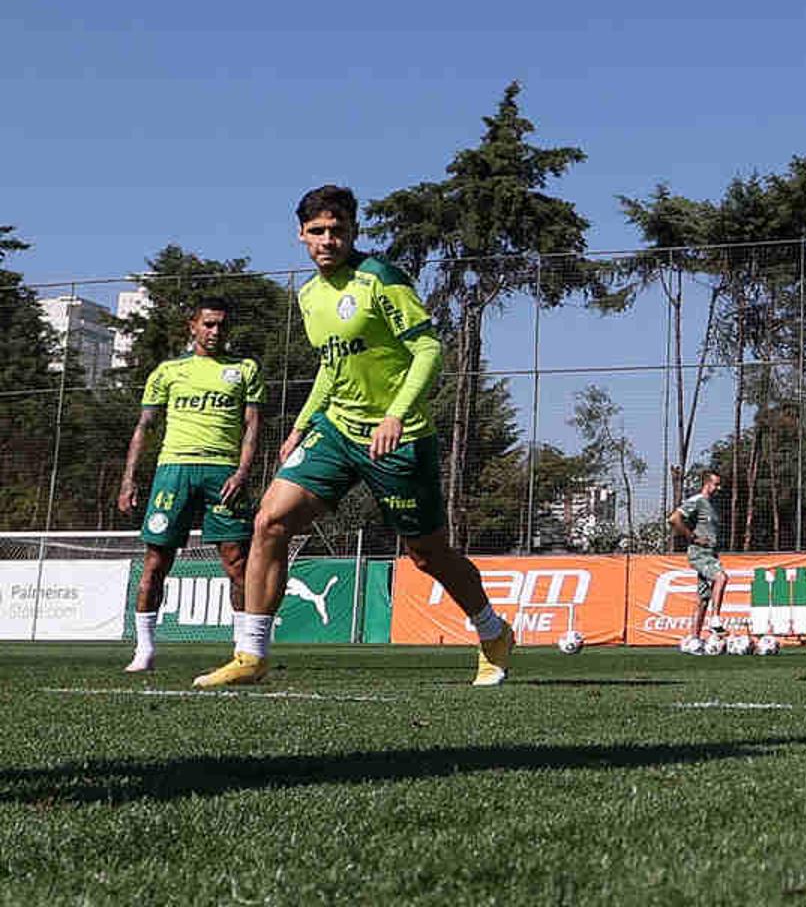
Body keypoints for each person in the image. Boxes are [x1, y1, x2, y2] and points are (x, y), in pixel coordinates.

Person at [195, 185, 514, 687]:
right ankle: (251, 655)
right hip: (336, 431)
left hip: (399, 438)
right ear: (301, 235)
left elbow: (429, 349)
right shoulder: (307, 295)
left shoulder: (380, 279)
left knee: (427, 555)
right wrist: (302, 424)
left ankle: (492, 631)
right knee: (269, 522)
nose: (328, 240)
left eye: (338, 230)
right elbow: (332, 365)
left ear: (353, 233)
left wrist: (396, 415)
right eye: (317, 231)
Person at [116, 296, 262, 673]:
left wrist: (242, 472)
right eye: (208, 324)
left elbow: (252, 427)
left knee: (237, 564)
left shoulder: (245, 369)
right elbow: (144, 428)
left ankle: (243, 649)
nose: (215, 332)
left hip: (223, 472)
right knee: (155, 563)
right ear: (192, 326)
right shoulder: (168, 371)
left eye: (221, 326)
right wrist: (129, 479)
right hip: (174, 471)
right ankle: (144, 649)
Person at [669, 471, 728, 644]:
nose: (719, 488)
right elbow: (674, 519)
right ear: (707, 484)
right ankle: (715, 619)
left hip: (710, 554)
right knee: (721, 577)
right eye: (716, 484)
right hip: (699, 553)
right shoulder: (697, 501)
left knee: (703, 598)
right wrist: (693, 537)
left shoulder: (712, 505)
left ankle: (693, 639)